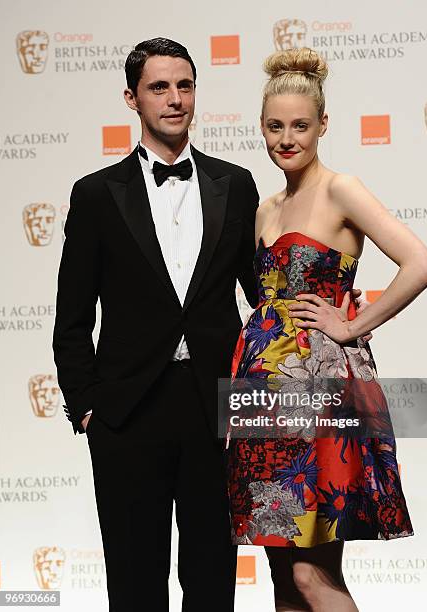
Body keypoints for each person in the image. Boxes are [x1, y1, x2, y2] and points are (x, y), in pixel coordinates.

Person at [53, 36, 369, 611]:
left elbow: (266, 296)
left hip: (218, 410)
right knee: (133, 580)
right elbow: (71, 319)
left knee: (211, 579)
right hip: (125, 414)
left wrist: (335, 320)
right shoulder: (95, 195)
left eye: (185, 85)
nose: (175, 99)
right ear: (132, 98)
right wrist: (88, 405)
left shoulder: (236, 184)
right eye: (159, 88)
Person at [227, 47, 427, 612]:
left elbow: (421, 263)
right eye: (275, 126)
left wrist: (352, 327)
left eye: (300, 124)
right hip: (263, 396)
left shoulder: (341, 188)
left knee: (310, 575)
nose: (286, 138)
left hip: (319, 394)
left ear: (324, 124)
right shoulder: (265, 208)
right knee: (280, 574)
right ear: (261, 128)